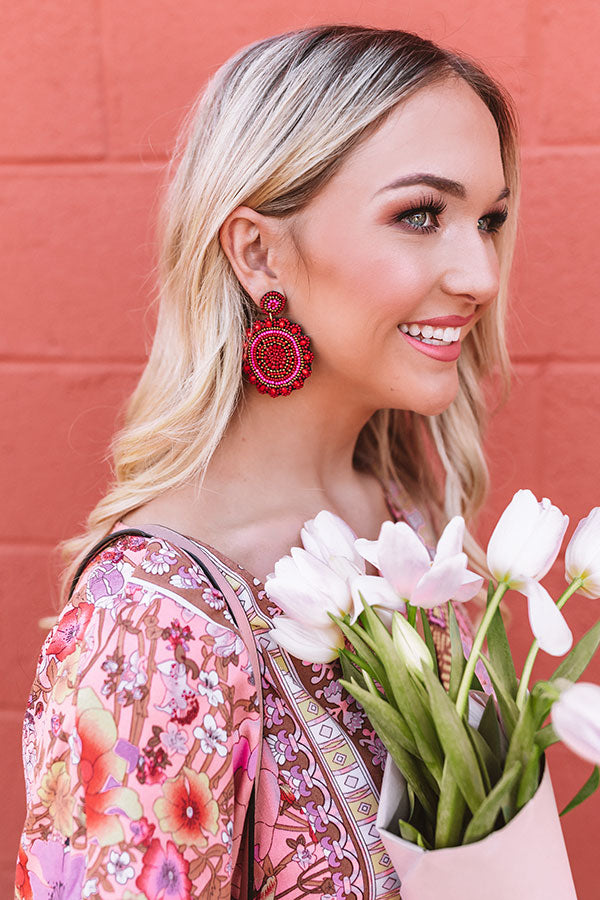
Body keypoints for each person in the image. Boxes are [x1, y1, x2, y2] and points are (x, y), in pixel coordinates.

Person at [15, 23, 520, 900]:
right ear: (258, 252)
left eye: (490, 220)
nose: (480, 271)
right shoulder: (153, 624)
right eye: (420, 215)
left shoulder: (402, 510)